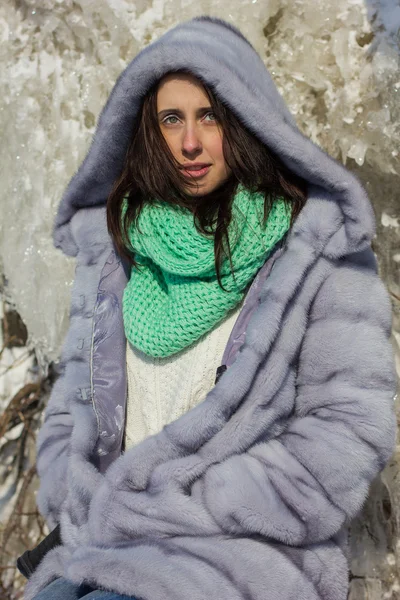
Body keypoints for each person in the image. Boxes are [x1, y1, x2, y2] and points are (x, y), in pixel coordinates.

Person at [24, 15, 397, 600]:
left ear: (247, 122)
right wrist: (76, 495)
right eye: (171, 119)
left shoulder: (316, 255)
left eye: (211, 116)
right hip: (101, 546)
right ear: (148, 131)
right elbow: (72, 411)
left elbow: (345, 434)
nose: (190, 142)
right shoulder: (115, 255)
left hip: (239, 562)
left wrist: (189, 506)